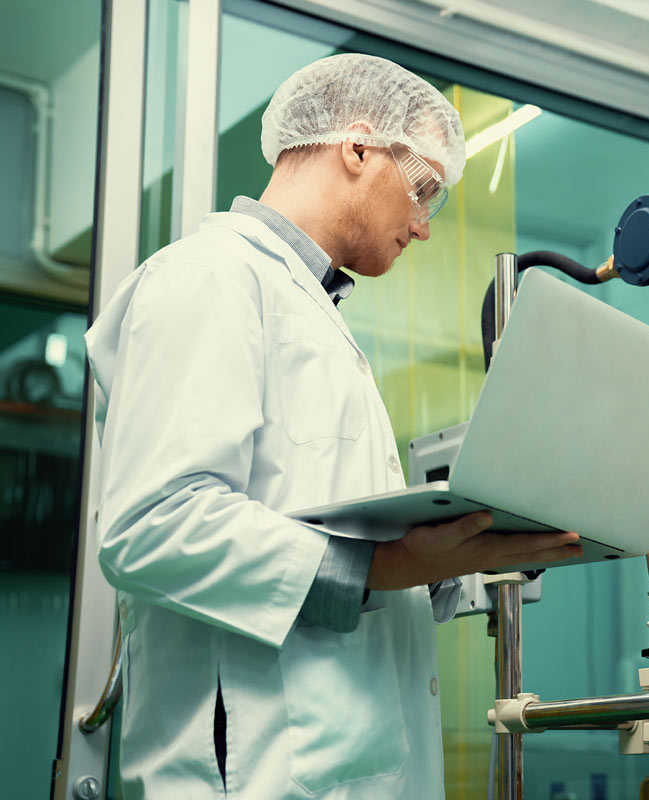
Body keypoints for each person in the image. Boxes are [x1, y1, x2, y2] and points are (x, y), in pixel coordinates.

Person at [84, 54, 581, 799]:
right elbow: (152, 526)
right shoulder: (210, 278)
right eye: (422, 192)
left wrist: (464, 554)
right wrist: (381, 568)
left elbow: (346, 560)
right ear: (356, 148)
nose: (421, 226)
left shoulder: (310, 313)